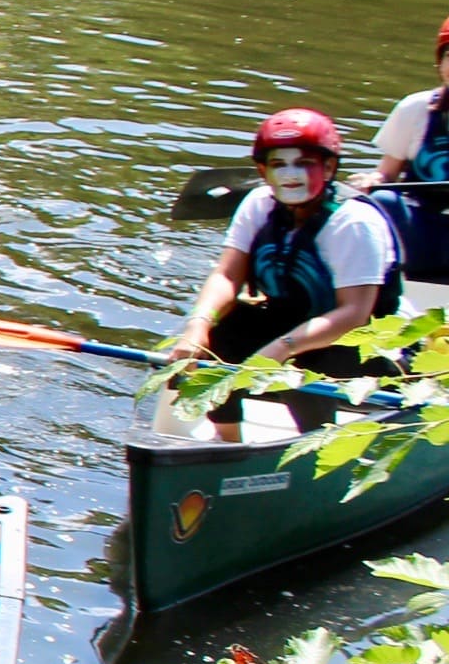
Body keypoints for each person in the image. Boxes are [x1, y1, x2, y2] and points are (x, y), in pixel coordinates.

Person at [161, 108, 397, 436]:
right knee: (220, 335)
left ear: (329, 168)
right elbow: (227, 275)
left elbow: (354, 314)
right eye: (278, 164)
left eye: (304, 163)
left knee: (301, 369)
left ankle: (316, 442)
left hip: (360, 343)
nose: (290, 175)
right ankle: (227, 442)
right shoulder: (259, 203)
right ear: (262, 170)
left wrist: (282, 349)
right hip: (288, 321)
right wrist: (197, 326)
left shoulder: (355, 222)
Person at [363, 31, 449, 283]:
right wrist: (372, 180)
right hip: (423, 229)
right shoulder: (415, 108)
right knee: (383, 199)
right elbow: (387, 173)